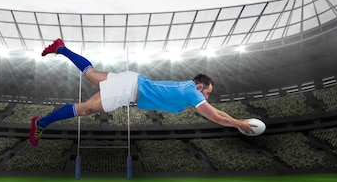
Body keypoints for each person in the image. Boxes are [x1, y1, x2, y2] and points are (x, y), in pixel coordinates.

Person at [29, 38, 257, 147]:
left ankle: (60, 47)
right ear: (200, 87)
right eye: (207, 93)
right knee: (86, 109)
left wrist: (238, 121)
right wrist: (239, 124)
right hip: (130, 88)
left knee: (90, 74)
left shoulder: (188, 89)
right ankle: (41, 123)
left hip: (132, 80)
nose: (206, 98)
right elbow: (216, 116)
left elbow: (218, 112)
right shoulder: (192, 93)